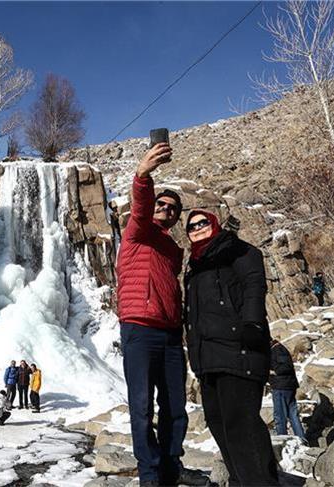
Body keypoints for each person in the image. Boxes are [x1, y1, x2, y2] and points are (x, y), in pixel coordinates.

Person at [116, 142, 204, 487]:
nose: (166, 209)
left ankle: (170, 468)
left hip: (169, 336)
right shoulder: (136, 233)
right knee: (141, 407)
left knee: (176, 409)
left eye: (173, 208)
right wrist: (143, 174)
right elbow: (139, 208)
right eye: (161, 204)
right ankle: (149, 475)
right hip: (138, 330)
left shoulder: (172, 248)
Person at [184, 210, 279, 486]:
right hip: (208, 357)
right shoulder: (195, 266)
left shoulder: (237, 250)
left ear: (214, 225)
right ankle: (242, 479)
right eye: (192, 226)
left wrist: (252, 324)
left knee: (241, 422)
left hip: (240, 348)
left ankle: (260, 482)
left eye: (203, 223)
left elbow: (253, 285)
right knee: (217, 421)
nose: (198, 228)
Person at [270, 339, 306, 441]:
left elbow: (286, 367)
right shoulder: (278, 349)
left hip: (281, 387)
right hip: (287, 386)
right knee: (293, 415)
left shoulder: (277, 350)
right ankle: (302, 439)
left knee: (280, 417)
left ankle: (283, 441)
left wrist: (273, 371)